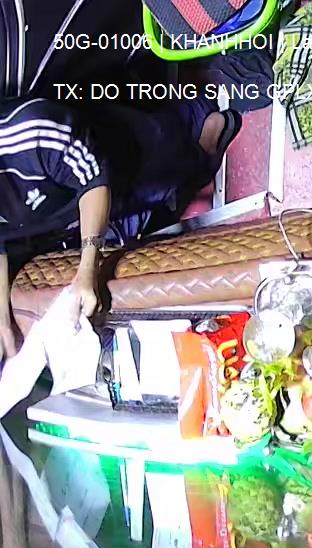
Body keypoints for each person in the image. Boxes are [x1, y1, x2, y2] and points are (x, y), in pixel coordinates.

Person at [0, 97, 240, 358]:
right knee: (151, 197)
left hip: (116, 155)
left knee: (167, 150)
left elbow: (93, 180)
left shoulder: (26, 132)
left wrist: (87, 268)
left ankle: (199, 128)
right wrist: (3, 322)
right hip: (80, 203)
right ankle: (188, 170)